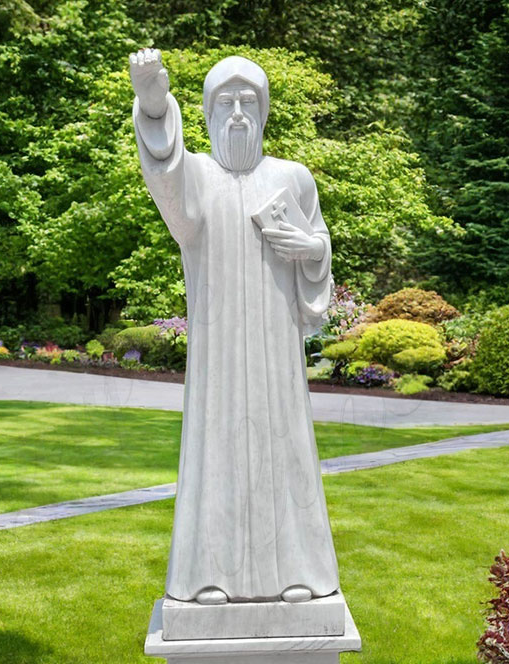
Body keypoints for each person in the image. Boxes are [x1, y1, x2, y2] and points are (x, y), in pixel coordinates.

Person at [130, 48, 340, 605]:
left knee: (284, 446)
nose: (239, 113)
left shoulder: (293, 178)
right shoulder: (197, 178)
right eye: (226, 102)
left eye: (250, 101)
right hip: (218, 346)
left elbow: (320, 250)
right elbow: (165, 168)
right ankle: (208, 577)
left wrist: (310, 248)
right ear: (207, 112)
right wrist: (154, 102)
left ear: (266, 111)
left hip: (275, 347)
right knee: (216, 447)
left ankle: (299, 572)